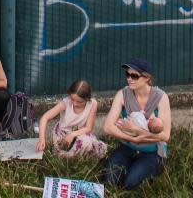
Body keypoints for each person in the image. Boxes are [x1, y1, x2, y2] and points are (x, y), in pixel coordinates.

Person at [102, 58, 172, 190]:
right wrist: (132, 138)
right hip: (127, 147)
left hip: (153, 152)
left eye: (134, 76)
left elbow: (165, 136)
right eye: (127, 74)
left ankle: (152, 167)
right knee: (109, 181)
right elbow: (107, 127)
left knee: (130, 183)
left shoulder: (161, 97)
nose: (129, 79)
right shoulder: (123, 94)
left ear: (146, 78)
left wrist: (137, 131)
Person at [35, 80, 107, 158]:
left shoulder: (92, 104)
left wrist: (72, 134)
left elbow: (88, 128)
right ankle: (68, 155)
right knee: (85, 145)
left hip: (80, 133)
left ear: (87, 99)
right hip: (63, 134)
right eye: (72, 99)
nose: (75, 103)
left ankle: (68, 155)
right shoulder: (66, 102)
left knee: (89, 144)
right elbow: (45, 117)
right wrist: (42, 139)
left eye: (79, 102)